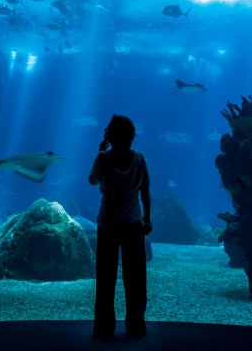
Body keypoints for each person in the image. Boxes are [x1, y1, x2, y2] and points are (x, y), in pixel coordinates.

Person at [88, 114, 152, 339]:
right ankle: (136, 325)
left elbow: (92, 180)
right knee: (135, 278)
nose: (104, 131)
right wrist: (148, 219)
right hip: (134, 223)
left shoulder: (103, 158)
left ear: (111, 135)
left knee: (106, 278)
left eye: (107, 129)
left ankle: (104, 327)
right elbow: (145, 190)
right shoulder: (140, 159)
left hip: (107, 225)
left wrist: (99, 151)